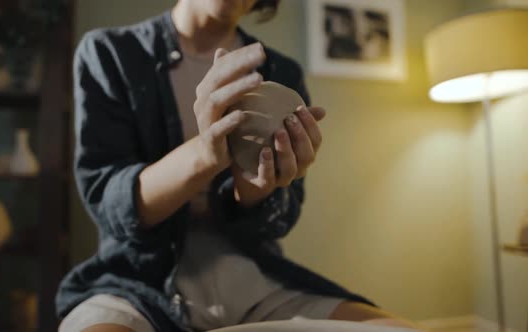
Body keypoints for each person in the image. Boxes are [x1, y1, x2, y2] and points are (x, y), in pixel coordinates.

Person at [56, 1, 423, 331]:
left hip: (254, 279)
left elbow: (280, 218)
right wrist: (204, 154)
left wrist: (258, 186)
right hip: (135, 283)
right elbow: (108, 202)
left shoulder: (281, 72)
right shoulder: (111, 53)